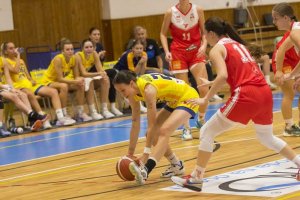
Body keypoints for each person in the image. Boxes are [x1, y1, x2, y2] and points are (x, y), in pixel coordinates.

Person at [169, 16, 300, 192]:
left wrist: (205, 98)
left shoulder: (216, 49)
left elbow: (224, 76)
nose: (204, 39)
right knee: (266, 137)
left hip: (247, 94)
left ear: (212, 34)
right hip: (263, 92)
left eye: (204, 35)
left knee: (206, 131)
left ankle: (196, 178)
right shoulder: (238, 45)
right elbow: (237, 75)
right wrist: (211, 84)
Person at [113, 70, 199, 184]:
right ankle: (176, 165)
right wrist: (130, 153)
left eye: (123, 90)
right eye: (119, 92)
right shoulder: (133, 93)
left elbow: (152, 125)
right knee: (153, 135)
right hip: (173, 101)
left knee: (163, 131)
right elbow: (135, 121)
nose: (123, 94)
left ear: (132, 83)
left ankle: (146, 170)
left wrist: (145, 154)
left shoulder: (148, 90)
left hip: (188, 97)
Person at [160, 0, 209, 140]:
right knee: (184, 90)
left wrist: (204, 45)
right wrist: (166, 51)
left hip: (195, 51)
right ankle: (186, 128)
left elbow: (204, 32)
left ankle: (201, 119)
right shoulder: (170, 12)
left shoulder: (198, 10)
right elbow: (163, 34)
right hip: (178, 53)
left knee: (204, 87)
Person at [2, 41, 76, 127]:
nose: (14, 50)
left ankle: (60, 118)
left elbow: (27, 75)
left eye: (14, 48)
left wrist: (31, 80)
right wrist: (18, 55)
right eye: (11, 48)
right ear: (6, 51)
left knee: (53, 92)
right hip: (19, 86)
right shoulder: (5, 61)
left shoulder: (21, 61)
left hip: (29, 85)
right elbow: (16, 70)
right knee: (30, 94)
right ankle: (41, 117)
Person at [41, 38, 93, 122]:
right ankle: (64, 114)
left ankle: (80, 112)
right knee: (64, 86)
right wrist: (75, 81)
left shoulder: (74, 58)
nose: (70, 51)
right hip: (48, 81)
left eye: (72, 49)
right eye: (67, 49)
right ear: (62, 51)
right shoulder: (58, 59)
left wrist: (80, 80)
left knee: (81, 84)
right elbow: (60, 78)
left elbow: (76, 76)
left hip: (60, 82)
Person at [272, 3, 300, 137]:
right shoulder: (294, 31)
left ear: (285, 18)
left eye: (275, 18)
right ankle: (289, 126)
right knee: (289, 93)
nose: (273, 22)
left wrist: (295, 74)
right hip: (284, 61)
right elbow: (281, 49)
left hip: (294, 61)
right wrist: (279, 71)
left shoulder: (295, 30)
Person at [0, 56, 45, 132]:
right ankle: (33, 115)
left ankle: (31, 119)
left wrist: (12, 89)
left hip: (3, 88)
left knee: (21, 94)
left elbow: (8, 78)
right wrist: (5, 87)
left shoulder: (2, 60)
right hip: (2, 88)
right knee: (13, 96)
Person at [75, 39, 115, 119]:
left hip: (86, 78)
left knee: (105, 79)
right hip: (77, 79)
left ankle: (104, 109)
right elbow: (84, 74)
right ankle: (92, 111)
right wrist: (99, 73)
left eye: (91, 47)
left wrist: (103, 74)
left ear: (94, 48)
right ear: (82, 48)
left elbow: (100, 69)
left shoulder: (94, 54)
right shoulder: (78, 56)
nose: (89, 49)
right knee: (90, 81)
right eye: (86, 47)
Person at [88, 27, 123, 117]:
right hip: (90, 73)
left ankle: (112, 106)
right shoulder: (87, 47)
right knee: (108, 78)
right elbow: (87, 67)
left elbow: (100, 64)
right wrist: (97, 58)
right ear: (90, 36)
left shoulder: (100, 46)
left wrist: (101, 58)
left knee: (113, 73)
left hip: (99, 71)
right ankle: (104, 108)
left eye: (98, 34)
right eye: (94, 34)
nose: (97, 36)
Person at [114, 39, 148, 113]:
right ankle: (138, 106)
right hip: (119, 72)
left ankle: (141, 104)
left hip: (129, 73)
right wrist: (139, 63)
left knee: (140, 81)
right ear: (132, 49)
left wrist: (142, 64)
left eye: (141, 48)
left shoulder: (144, 55)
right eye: (137, 48)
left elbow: (142, 72)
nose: (139, 50)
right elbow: (132, 73)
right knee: (132, 83)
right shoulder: (129, 55)